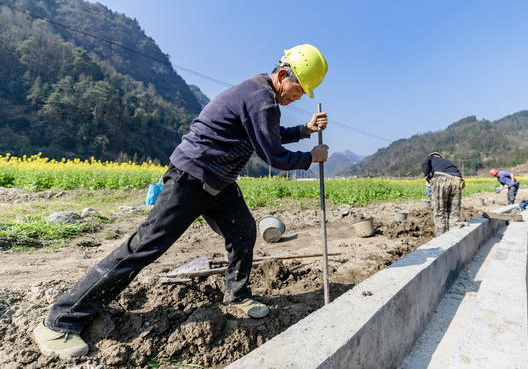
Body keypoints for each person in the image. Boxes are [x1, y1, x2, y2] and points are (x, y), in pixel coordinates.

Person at [33, 44, 330, 359]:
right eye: (297, 91)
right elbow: (273, 154)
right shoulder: (261, 99)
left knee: (242, 229)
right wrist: (310, 157)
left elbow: (267, 134)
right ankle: (60, 320)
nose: (296, 98)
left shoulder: (260, 96)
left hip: (218, 181)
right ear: (282, 75)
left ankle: (237, 294)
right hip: (191, 178)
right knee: (144, 247)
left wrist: (303, 129)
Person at [421, 152, 465, 236]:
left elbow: (424, 163)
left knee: (439, 211)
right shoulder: (447, 162)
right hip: (457, 181)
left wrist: (427, 176)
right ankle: (454, 236)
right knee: (454, 213)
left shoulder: (430, 158)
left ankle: (441, 238)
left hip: (441, 180)